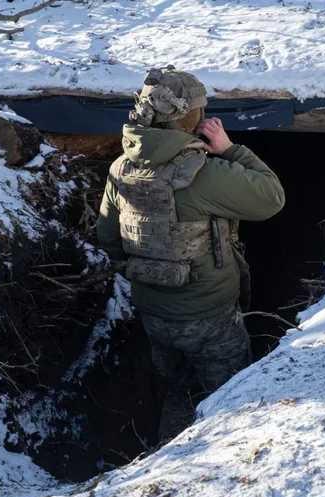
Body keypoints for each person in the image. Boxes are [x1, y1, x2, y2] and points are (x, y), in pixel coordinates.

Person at [96, 66, 285, 442]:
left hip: (153, 310)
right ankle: (223, 451)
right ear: (186, 117)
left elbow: (110, 241)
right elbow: (272, 198)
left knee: (178, 387)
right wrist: (230, 149)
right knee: (230, 397)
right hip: (210, 315)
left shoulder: (121, 167)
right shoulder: (203, 172)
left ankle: (172, 446)